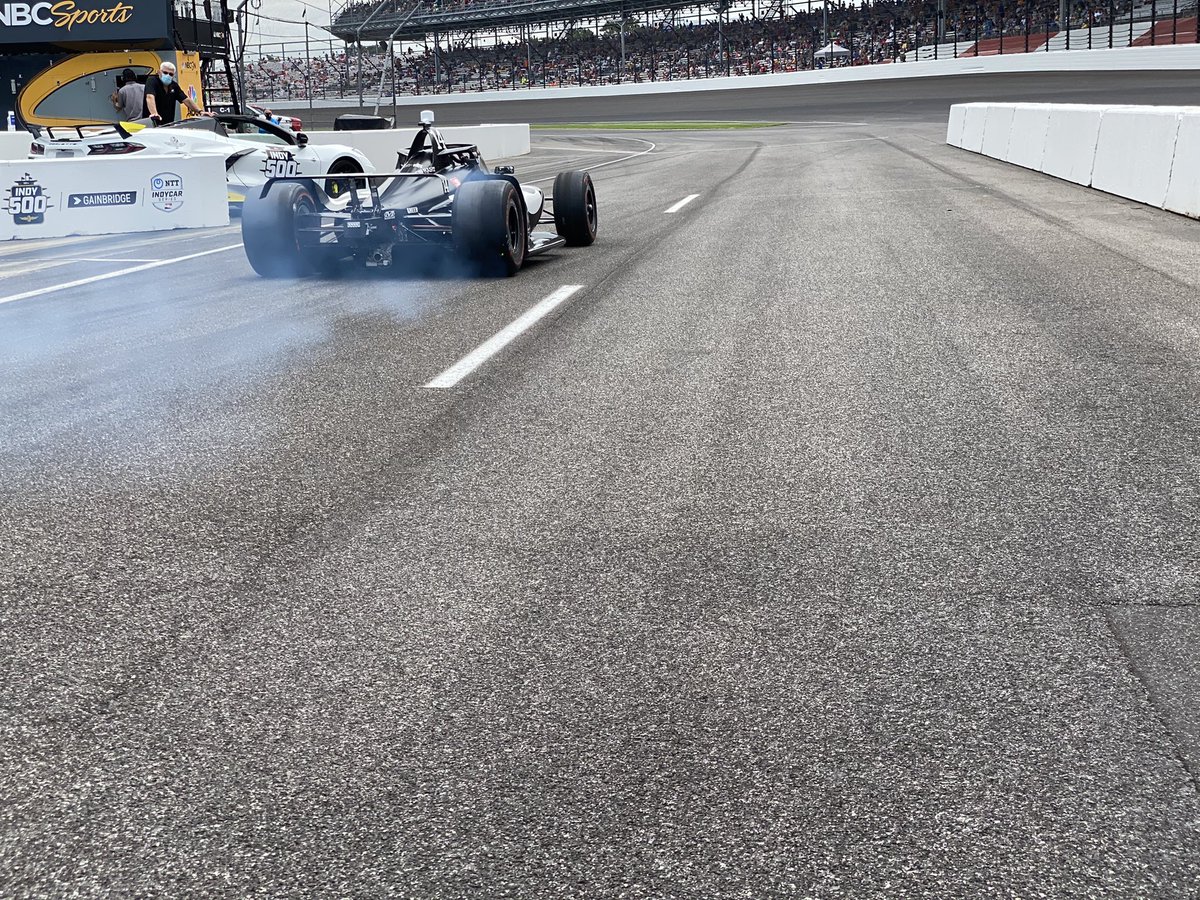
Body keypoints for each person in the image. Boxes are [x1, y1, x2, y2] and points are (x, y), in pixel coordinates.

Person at [142, 61, 209, 125]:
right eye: (165, 73)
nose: (168, 75)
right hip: (151, 123)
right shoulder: (152, 81)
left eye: (170, 74)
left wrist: (200, 111)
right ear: (159, 72)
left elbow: (186, 100)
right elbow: (150, 97)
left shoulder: (174, 85)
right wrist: (154, 114)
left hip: (168, 123)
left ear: (173, 76)